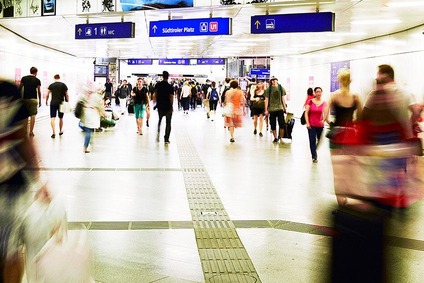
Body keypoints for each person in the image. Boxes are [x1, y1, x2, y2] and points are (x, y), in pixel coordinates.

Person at [0, 79, 43, 283]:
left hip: (9, 189)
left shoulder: (8, 90)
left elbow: (23, 139)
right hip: (10, 186)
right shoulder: (7, 91)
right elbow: (23, 139)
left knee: (9, 251)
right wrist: (38, 179)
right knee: (10, 250)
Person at [326, 68, 362, 148]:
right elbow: (360, 116)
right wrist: (353, 123)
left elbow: (325, 116)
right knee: (349, 158)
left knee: (336, 159)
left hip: (336, 132)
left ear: (338, 80)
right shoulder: (356, 97)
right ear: (350, 81)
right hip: (350, 132)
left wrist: (331, 124)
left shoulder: (333, 96)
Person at [79, 82, 105, 153]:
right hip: (92, 115)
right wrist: (102, 113)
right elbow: (100, 106)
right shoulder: (96, 96)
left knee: (88, 130)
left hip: (85, 114)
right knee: (88, 131)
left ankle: (90, 142)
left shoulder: (83, 96)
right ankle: (85, 148)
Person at [304, 87, 328, 163]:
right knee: (312, 140)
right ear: (314, 93)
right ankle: (314, 156)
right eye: (317, 92)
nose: (318, 93)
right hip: (311, 125)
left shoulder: (324, 103)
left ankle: (314, 149)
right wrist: (307, 123)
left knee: (319, 139)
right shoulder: (310, 102)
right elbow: (306, 113)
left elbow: (326, 113)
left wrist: (324, 120)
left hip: (320, 125)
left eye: (320, 92)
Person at [18, 66, 41, 137]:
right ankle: (31, 132)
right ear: (36, 72)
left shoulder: (24, 78)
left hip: (25, 99)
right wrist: (40, 100)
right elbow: (39, 91)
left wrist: (18, 98)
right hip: (33, 100)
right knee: (33, 116)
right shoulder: (37, 80)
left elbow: (20, 88)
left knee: (25, 116)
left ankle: (24, 131)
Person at [153, 71, 174, 144]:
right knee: (168, 123)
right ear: (168, 77)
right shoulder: (170, 86)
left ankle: (158, 132)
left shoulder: (158, 85)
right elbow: (171, 97)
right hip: (168, 107)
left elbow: (155, 95)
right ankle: (166, 139)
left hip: (160, 106)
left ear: (162, 76)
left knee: (160, 120)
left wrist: (155, 104)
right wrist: (171, 106)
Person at [45, 74, 69, 138]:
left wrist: (46, 101)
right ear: (59, 78)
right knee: (61, 118)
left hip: (53, 103)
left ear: (54, 78)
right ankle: (60, 131)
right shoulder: (63, 85)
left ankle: (53, 132)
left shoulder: (51, 85)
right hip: (61, 103)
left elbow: (47, 94)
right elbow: (67, 95)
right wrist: (67, 102)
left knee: (52, 117)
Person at [264, 78, 287, 143]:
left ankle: (281, 137)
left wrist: (285, 108)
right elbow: (266, 100)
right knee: (273, 124)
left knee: (282, 124)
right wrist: (266, 110)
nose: (274, 81)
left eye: (275, 80)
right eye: (272, 80)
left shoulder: (280, 88)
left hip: (280, 108)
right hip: (272, 109)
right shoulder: (268, 89)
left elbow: (283, 99)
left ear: (277, 81)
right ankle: (275, 137)